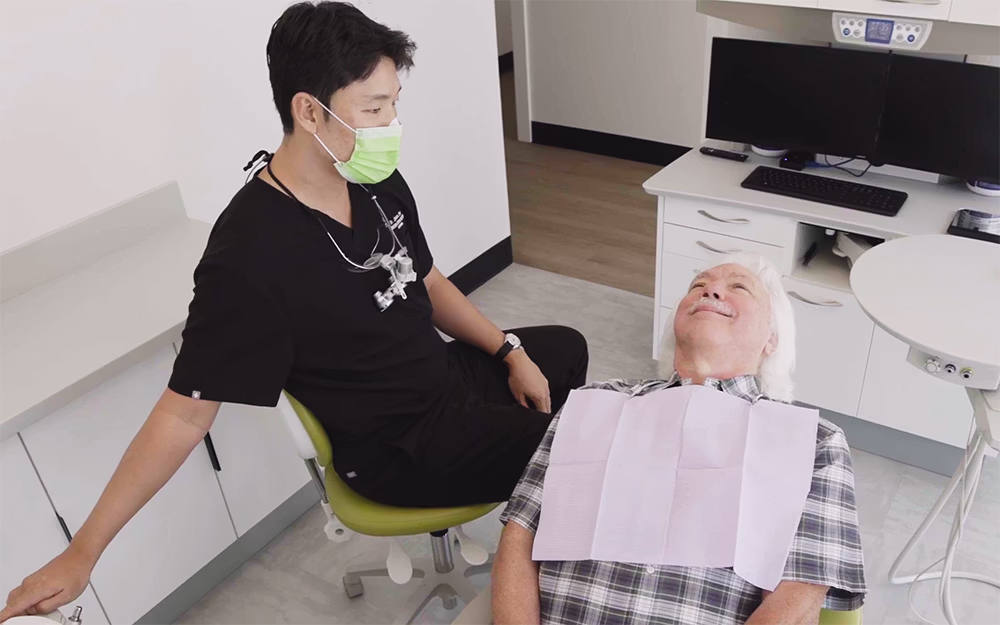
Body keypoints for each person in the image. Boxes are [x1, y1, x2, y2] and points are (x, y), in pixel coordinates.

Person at [0, 3, 588, 621]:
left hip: (441, 381)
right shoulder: (249, 255)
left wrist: (508, 350)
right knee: (580, 454)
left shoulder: (374, 178)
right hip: (399, 447)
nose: (392, 123)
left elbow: (427, 277)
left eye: (394, 103)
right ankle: (552, 547)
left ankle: (541, 502)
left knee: (564, 349)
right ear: (309, 110)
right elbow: (181, 417)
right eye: (374, 108)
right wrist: (83, 552)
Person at [493, 253, 867, 625]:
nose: (713, 291)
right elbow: (520, 531)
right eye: (698, 286)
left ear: (772, 338)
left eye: (738, 287)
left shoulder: (811, 441)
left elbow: (797, 602)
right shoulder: (598, 402)